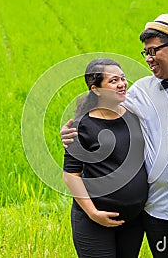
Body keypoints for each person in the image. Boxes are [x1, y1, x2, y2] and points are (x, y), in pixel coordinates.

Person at [61, 14, 168, 257]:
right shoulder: (140, 91)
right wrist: (74, 132)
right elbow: (104, 108)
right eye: (145, 53)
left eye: (153, 51)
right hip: (158, 210)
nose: (148, 59)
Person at [62, 58, 149, 258]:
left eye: (123, 78)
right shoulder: (81, 126)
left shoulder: (135, 116)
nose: (122, 84)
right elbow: (71, 175)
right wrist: (93, 213)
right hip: (94, 222)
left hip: (133, 221)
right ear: (96, 90)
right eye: (113, 81)